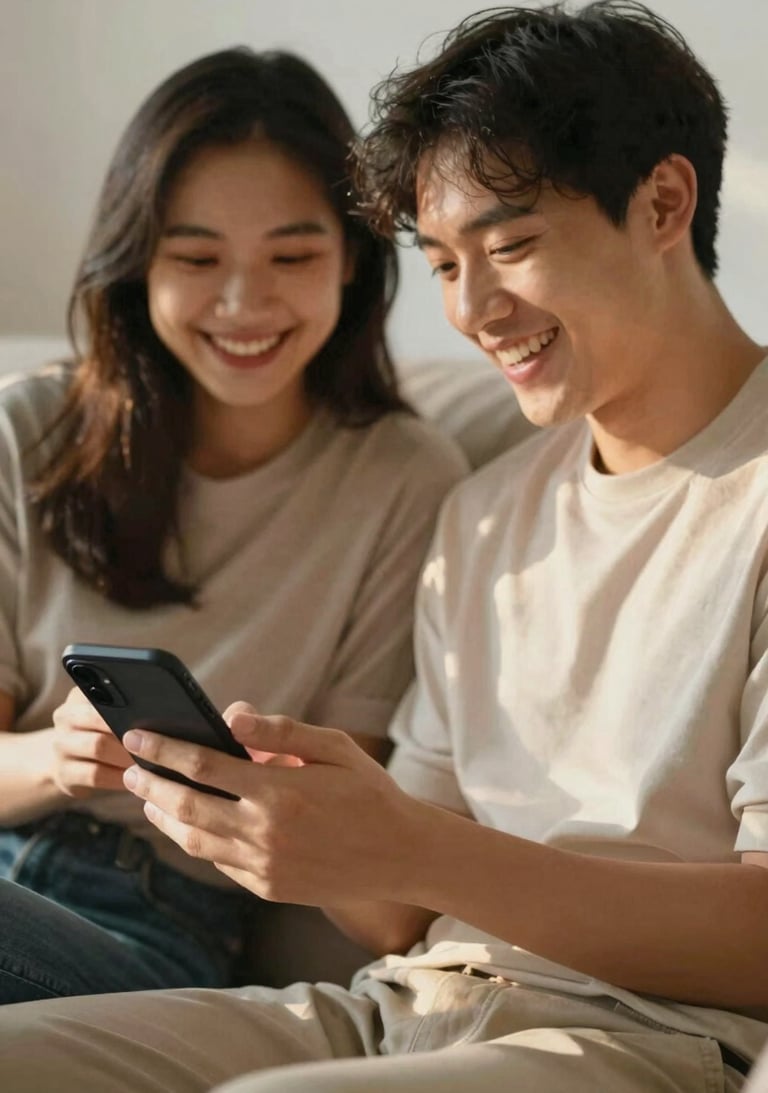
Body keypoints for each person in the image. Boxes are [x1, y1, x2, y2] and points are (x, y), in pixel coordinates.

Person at [0, 1, 766, 1089]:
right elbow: (397, 912)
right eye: (446, 264)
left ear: (666, 202)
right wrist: (291, 812)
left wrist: (410, 845)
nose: (475, 309)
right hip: (395, 1008)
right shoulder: (486, 510)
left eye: (509, 247)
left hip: (637, 1036)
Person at [0, 47, 466, 1003]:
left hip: (157, 927)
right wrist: (60, 756)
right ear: (139, 263)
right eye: (197, 258)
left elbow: (350, 836)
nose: (244, 304)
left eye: (292, 257)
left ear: (353, 259)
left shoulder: (403, 482)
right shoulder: (28, 431)